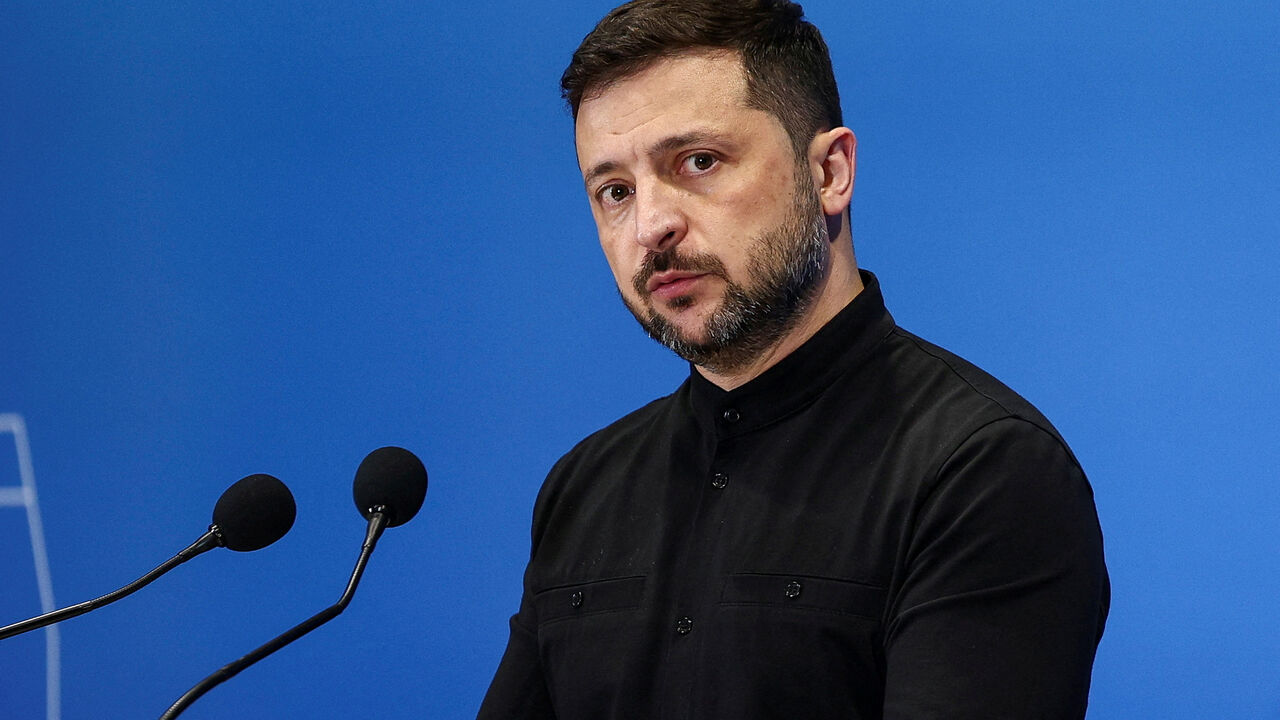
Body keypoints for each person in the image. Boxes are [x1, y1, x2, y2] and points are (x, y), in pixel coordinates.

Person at [479, 1, 1110, 718]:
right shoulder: (583, 487)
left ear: (830, 172)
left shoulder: (982, 471)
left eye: (699, 161)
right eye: (615, 191)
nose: (651, 225)